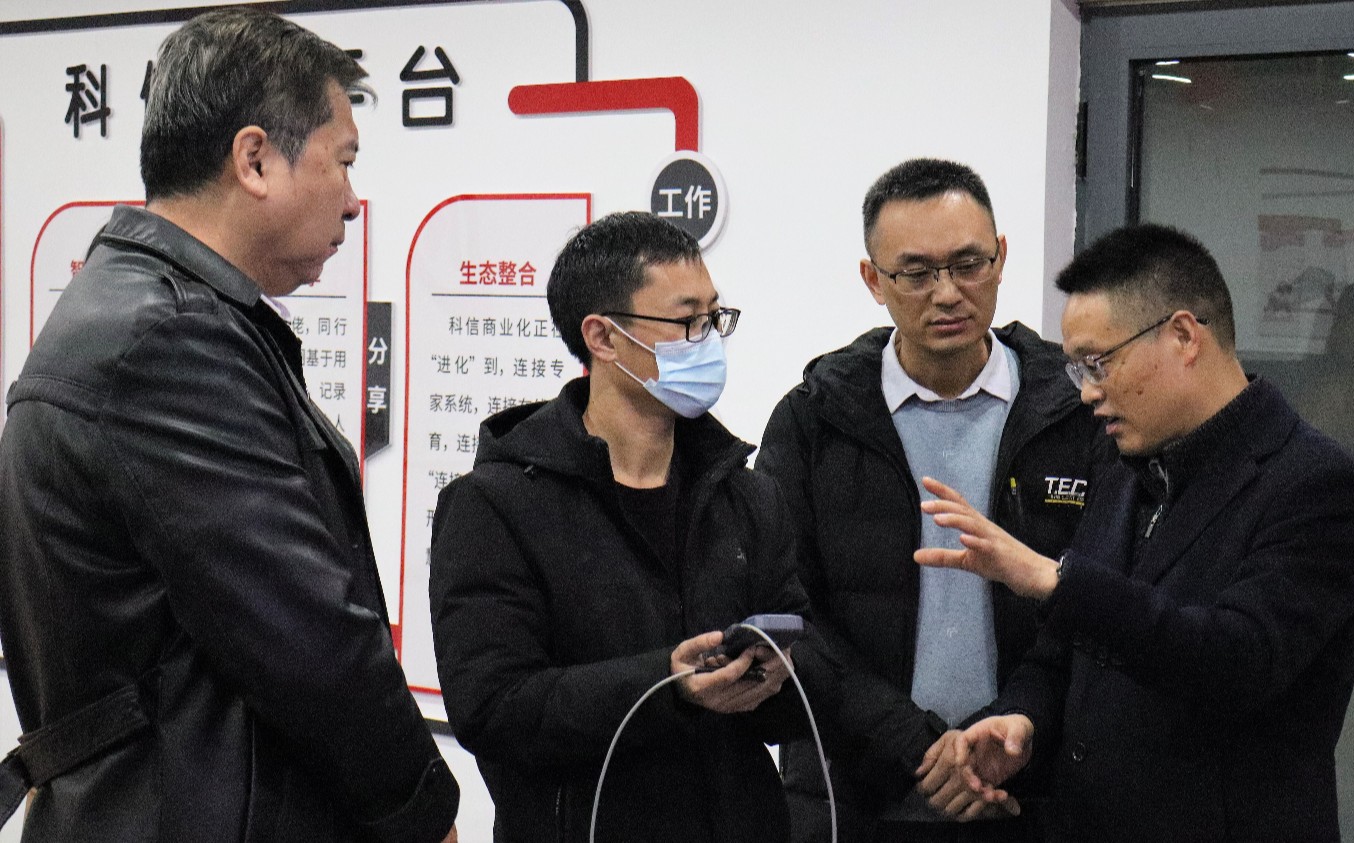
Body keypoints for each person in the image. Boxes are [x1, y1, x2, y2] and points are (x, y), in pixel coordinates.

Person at [0, 10, 460, 842]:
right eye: (343, 162)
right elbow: (306, 635)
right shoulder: (170, 337)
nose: (353, 203)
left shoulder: (138, 310)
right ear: (254, 160)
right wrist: (420, 809)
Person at [916, 224, 1354, 842]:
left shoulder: (1320, 487)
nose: (1087, 393)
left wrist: (1053, 580)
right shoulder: (1125, 469)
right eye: (1076, 369)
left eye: (1099, 363)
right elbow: (1065, 652)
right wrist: (1021, 720)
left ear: (1184, 336)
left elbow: (1235, 661)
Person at [756, 158, 1109, 842]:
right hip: (850, 798)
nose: (948, 293)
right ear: (873, 281)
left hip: (1033, 794)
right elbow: (787, 607)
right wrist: (916, 746)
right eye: (916, 274)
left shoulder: (1078, 412)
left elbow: (1101, 596)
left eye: (969, 264)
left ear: (1001, 258)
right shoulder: (814, 419)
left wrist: (1016, 723)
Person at [429, 211, 810, 843]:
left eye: (714, 317)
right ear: (603, 337)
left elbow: (804, 678)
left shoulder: (745, 494)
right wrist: (668, 684)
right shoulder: (493, 506)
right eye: (687, 322)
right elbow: (492, 710)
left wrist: (776, 676)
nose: (709, 342)